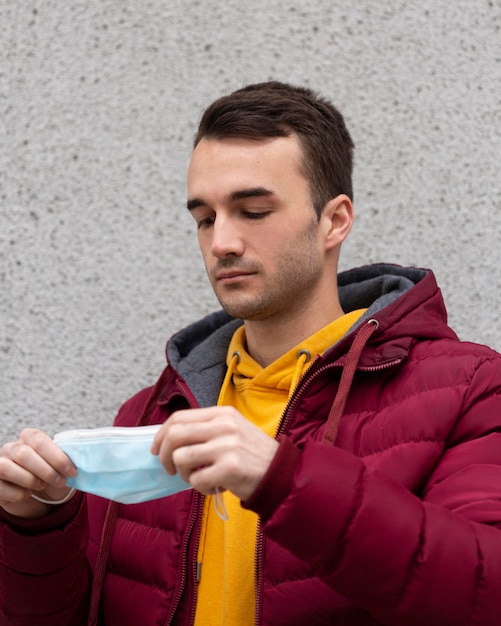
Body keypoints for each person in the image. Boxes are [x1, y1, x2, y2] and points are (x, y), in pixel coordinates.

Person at [1, 81, 501, 626]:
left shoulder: (470, 387)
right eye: (205, 218)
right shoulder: (154, 411)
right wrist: (36, 524)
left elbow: (484, 591)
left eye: (254, 211)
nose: (222, 243)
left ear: (334, 220)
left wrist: (284, 478)